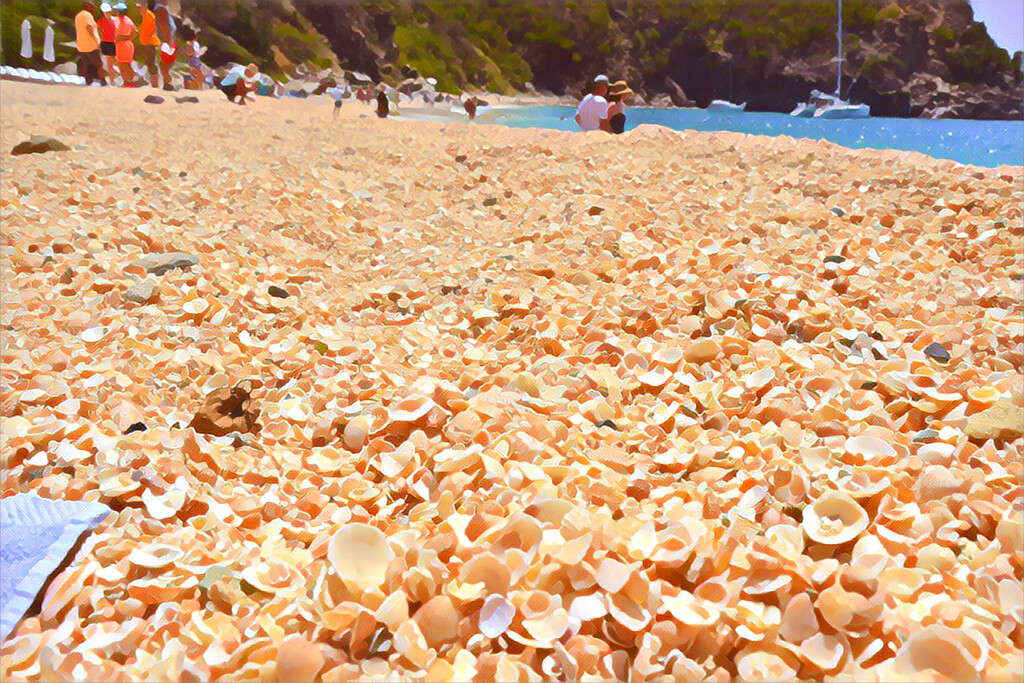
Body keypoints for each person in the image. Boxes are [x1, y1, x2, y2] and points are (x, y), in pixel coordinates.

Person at [75, 2, 105, 86]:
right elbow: (89, 28)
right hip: (90, 45)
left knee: (85, 63)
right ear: (88, 7)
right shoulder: (87, 15)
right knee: (99, 64)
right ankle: (103, 80)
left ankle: (86, 80)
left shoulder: (78, 16)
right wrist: (96, 40)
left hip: (81, 45)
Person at [111, 3, 137, 87]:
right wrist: (128, 38)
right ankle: (131, 80)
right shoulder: (128, 20)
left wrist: (119, 38)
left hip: (120, 45)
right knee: (127, 63)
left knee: (121, 64)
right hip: (128, 44)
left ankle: (126, 82)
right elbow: (136, 32)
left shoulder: (115, 20)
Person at [137, 0, 161, 87]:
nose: (138, 9)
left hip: (149, 44)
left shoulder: (148, 15)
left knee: (151, 64)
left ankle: (155, 84)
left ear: (145, 6)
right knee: (148, 62)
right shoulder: (144, 16)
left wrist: (150, 37)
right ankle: (149, 81)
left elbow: (154, 27)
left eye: (140, 7)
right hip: (146, 44)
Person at [154, 0, 176, 90]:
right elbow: (164, 26)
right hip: (164, 40)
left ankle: (166, 82)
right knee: (165, 62)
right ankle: (166, 82)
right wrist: (169, 41)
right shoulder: (161, 9)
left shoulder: (161, 9)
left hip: (163, 40)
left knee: (165, 63)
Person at [96, 3, 117, 84]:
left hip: (114, 42)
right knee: (109, 63)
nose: (107, 13)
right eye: (105, 12)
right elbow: (97, 30)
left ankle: (116, 78)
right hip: (106, 43)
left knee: (117, 61)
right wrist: (99, 40)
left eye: (108, 12)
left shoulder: (114, 20)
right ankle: (111, 80)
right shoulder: (101, 21)